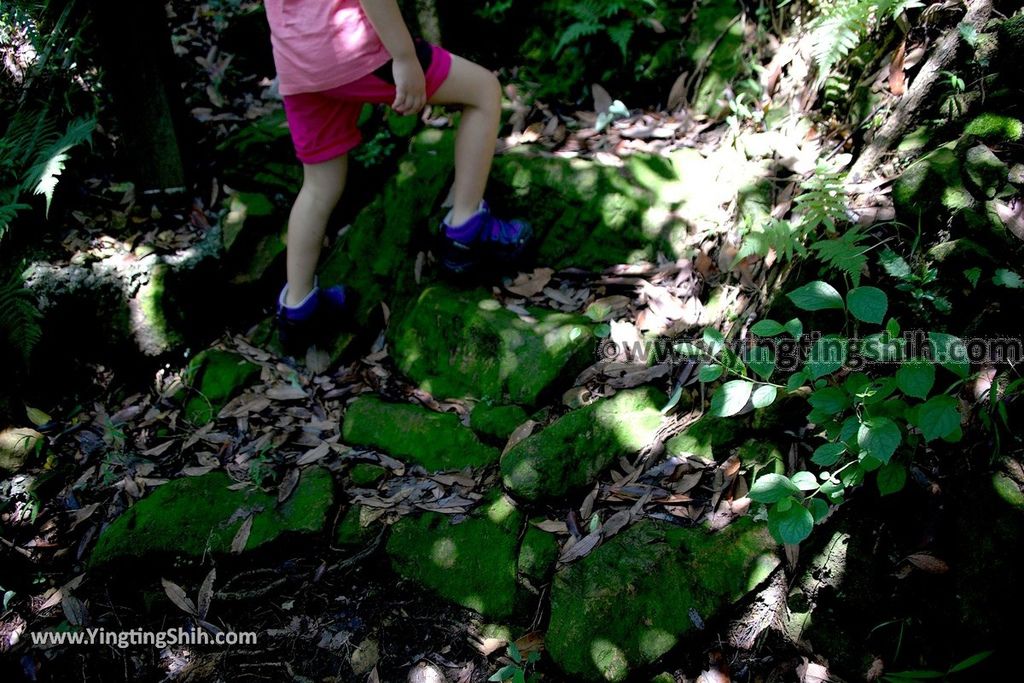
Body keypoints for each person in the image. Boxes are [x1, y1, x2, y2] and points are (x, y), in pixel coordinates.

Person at [263, 0, 532, 349]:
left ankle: (298, 308)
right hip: (352, 49)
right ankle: (465, 231)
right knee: (483, 91)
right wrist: (404, 57)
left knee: (319, 184)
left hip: (296, 61)